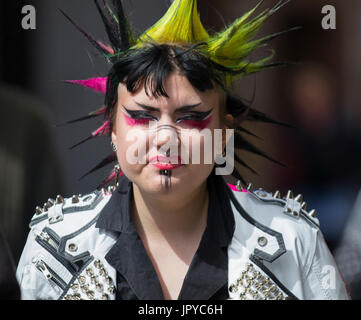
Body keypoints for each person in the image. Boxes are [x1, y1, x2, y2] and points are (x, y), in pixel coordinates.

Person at [16, 0, 349, 300]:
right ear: (112, 129)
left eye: (190, 118)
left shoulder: (293, 240)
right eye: (142, 117)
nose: (165, 138)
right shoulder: (53, 246)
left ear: (223, 134)